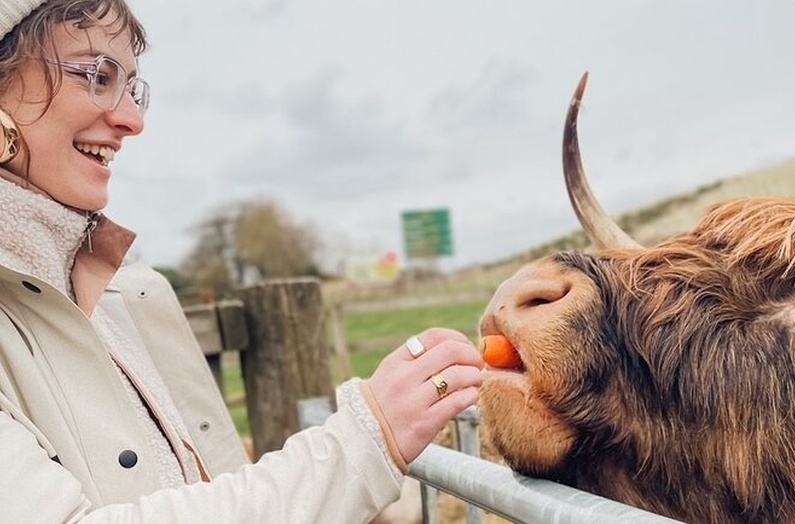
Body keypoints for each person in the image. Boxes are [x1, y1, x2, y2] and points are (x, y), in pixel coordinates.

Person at [0, 0, 484, 521]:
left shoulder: (128, 301)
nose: (131, 120)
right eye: (97, 74)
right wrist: (365, 442)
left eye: (132, 88)